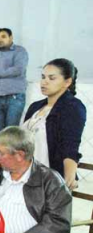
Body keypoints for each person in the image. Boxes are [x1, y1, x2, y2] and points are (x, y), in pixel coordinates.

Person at [22, 58, 86, 190]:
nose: (44, 82)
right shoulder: (35, 106)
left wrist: (68, 180)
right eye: (43, 77)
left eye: (52, 78)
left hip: (49, 179)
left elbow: (70, 146)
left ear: (67, 82)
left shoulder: (72, 107)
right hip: (25, 175)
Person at [0, 28, 29, 139]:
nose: (0, 40)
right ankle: (0, 154)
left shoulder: (20, 51)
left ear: (11, 37)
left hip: (14, 97)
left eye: (3, 37)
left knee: (11, 133)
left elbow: (18, 70)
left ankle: (10, 155)